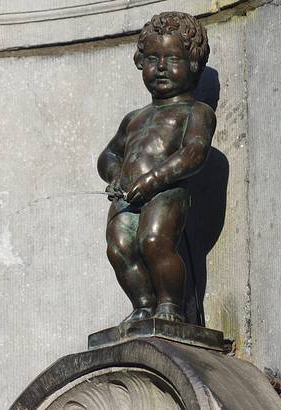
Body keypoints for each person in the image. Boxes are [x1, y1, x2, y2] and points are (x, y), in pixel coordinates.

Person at [97, 11, 216, 323]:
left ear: (193, 64)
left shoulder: (196, 111)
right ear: (140, 61)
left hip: (167, 191)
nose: (161, 67)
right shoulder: (134, 118)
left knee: (153, 241)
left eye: (173, 58)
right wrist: (114, 175)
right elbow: (109, 155)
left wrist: (154, 180)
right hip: (127, 194)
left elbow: (194, 153)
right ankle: (143, 306)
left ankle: (169, 307)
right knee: (119, 248)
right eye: (153, 57)